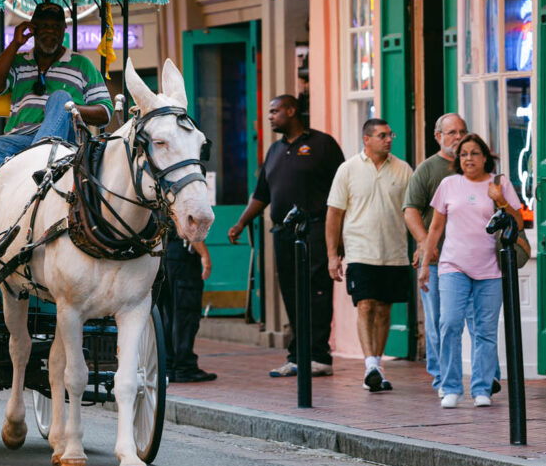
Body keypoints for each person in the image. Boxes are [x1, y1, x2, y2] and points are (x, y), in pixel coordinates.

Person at [227, 95, 344, 378]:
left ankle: (319, 356)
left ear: (291, 111)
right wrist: (241, 223)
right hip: (282, 233)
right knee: (291, 294)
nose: (269, 116)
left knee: (316, 292)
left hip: (315, 230)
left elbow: (342, 191)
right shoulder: (275, 151)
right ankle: (298, 356)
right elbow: (262, 195)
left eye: (274, 111)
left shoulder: (322, 144)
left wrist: (338, 237)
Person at [419, 134, 522, 409]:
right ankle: (450, 386)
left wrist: (500, 201)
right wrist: (424, 264)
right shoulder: (449, 184)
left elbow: (519, 222)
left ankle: (482, 388)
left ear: (485, 156)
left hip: (490, 270)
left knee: (485, 331)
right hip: (453, 266)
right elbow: (436, 228)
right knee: (449, 324)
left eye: (474, 153)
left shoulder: (499, 184)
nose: (468, 159)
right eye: (463, 154)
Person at [326, 119, 413, 392]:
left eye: (390, 135)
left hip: (394, 251)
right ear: (367, 139)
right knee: (365, 305)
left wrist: (421, 244)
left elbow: (412, 211)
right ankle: (370, 366)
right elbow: (334, 214)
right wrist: (332, 255)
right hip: (359, 250)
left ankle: (377, 365)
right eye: (382, 135)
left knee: (385, 308)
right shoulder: (348, 169)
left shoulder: (403, 169)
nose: (388, 140)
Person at [0, 1, 112, 167]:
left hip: (64, 142)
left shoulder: (82, 64)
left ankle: (36, 160)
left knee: (61, 99)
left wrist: (70, 110)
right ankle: (35, 171)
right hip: (22, 140)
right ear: (33, 29)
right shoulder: (19, 62)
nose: (50, 31)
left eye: (56, 26)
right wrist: (15, 44)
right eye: (44, 26)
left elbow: (105, 113)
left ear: (64, 30)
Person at [402, 113, 466, 395]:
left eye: (462, 131)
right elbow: (411, 210)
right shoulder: (428, 169)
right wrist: (426, 243)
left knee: (476, 321)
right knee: (440, 320)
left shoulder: (473, 166)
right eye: (451, 132)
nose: (458, 137)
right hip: (438, 259)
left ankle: (484, 376)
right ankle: (442, 378)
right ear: (438, 136)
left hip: (471, 256)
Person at [160, 229, 217, 383]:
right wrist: (204, 255)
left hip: (164, 253)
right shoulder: (181, 203)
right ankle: (184, 367)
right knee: (185, 313)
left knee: (168, 313)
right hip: (182, 254)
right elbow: (189, 226)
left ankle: (169, 366)